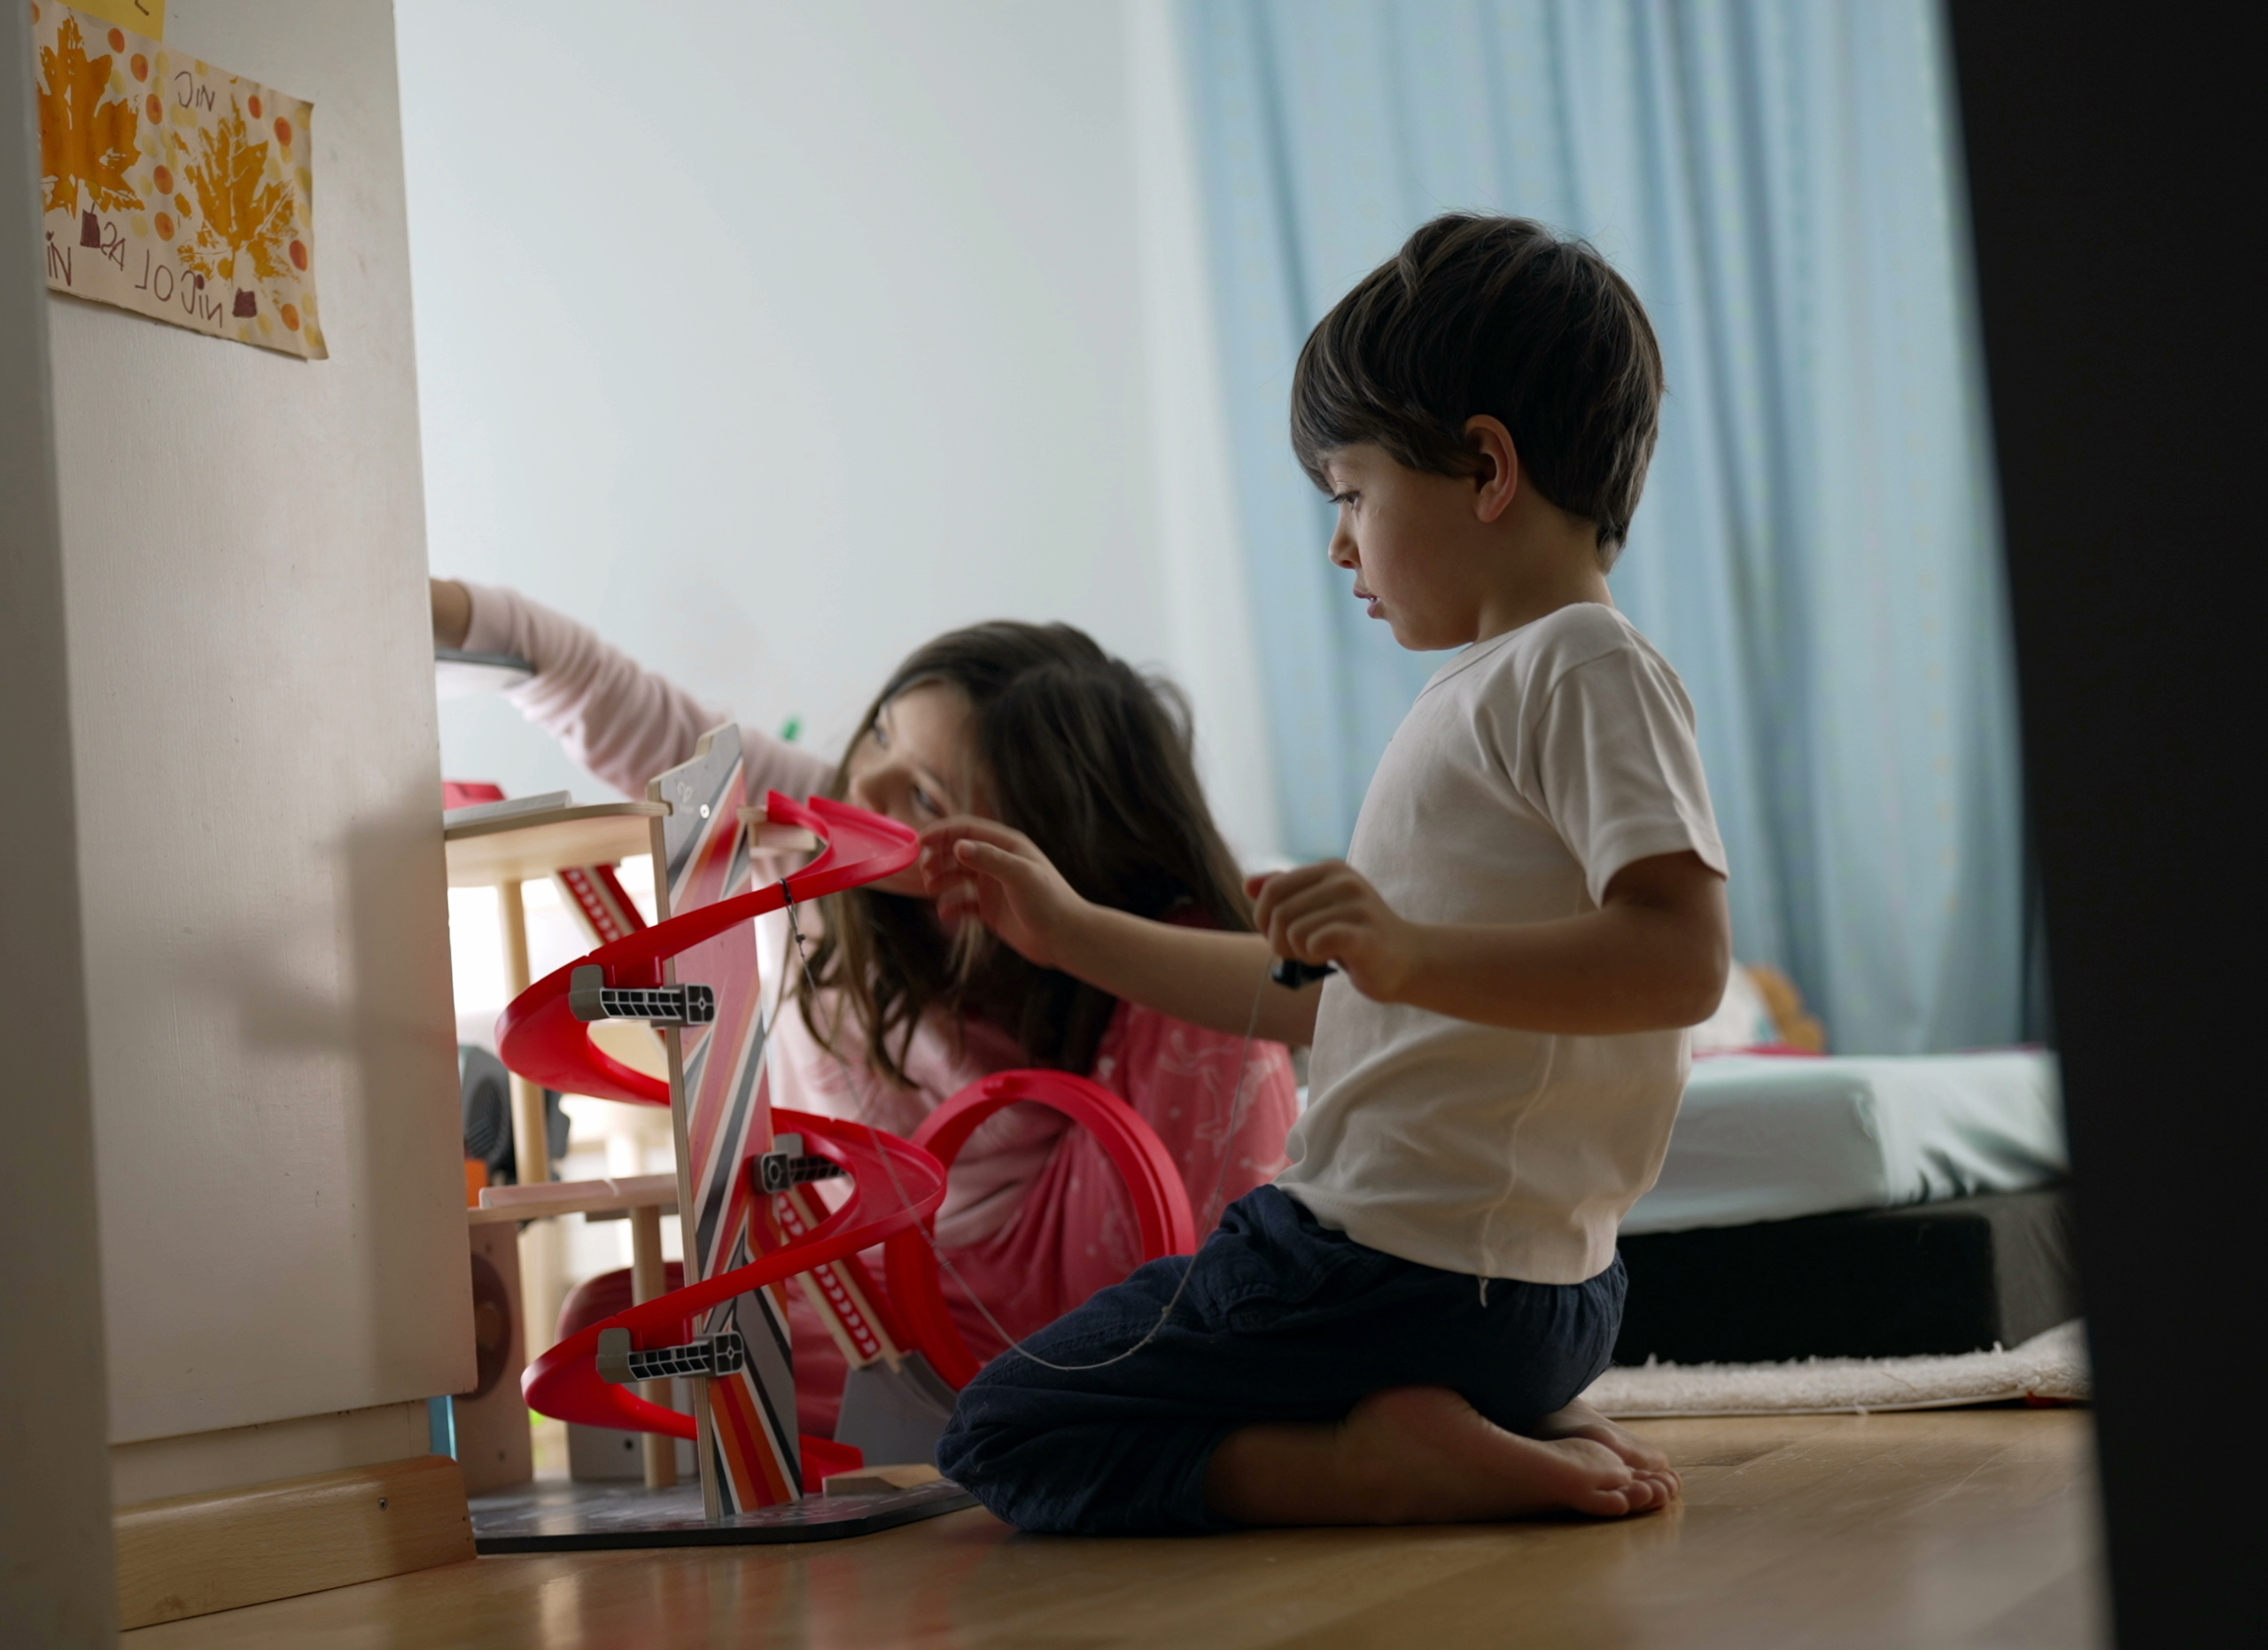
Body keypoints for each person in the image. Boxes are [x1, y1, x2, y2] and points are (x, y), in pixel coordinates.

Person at [923, 214, 1729, 1534]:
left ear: (1484, 467)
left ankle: (1373, 1462)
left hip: (1389, 1276)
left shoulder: (1578, 667)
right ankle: (1470, 1416)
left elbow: (1682, 959)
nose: (1341, 543)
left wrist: (1403, 952)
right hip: (1540, 1310)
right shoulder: (1502, 691)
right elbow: (1319, 997)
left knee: (1010, 1424)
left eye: (1352, 492)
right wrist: (1069, 930)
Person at [431, 582, 1301, 1434]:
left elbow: (1268, 980)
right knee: (613, 1317)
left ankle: (1114, 1404)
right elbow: (624, 707)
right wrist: (453, 614)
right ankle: (981, 1425)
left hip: (1073, 1287)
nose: (866, 779)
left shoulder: (1075, 933)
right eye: (881, 729)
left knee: (1212, 970)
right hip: (877, 1314)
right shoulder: (816, 824)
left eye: (924, 795)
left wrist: (1073, 931)